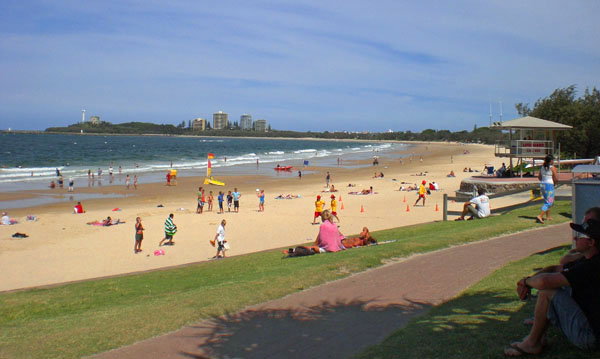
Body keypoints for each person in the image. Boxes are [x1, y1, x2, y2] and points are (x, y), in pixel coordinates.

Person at [504, 217, 600, 356]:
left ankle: (532, 344)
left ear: (591, 242)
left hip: (590, 337)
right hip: (590, 328)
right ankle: (538, 338)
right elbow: (555, 268)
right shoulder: (588, 260)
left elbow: (544, 282)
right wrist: (529, 280)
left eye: (579, 236)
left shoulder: (592, 267)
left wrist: (526, 282)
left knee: (547, 291)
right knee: (557, 287)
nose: (575, 239)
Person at [537, 155, 558, 224]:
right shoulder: (553, 168)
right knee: (550, 202)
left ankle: (548, 216)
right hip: (549, 185)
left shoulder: (542, 167)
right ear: (551, 161)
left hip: (543, 184)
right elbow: (556, 178)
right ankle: (540, 215)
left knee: (547, 200)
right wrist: (554, 183)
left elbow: (539, 177)